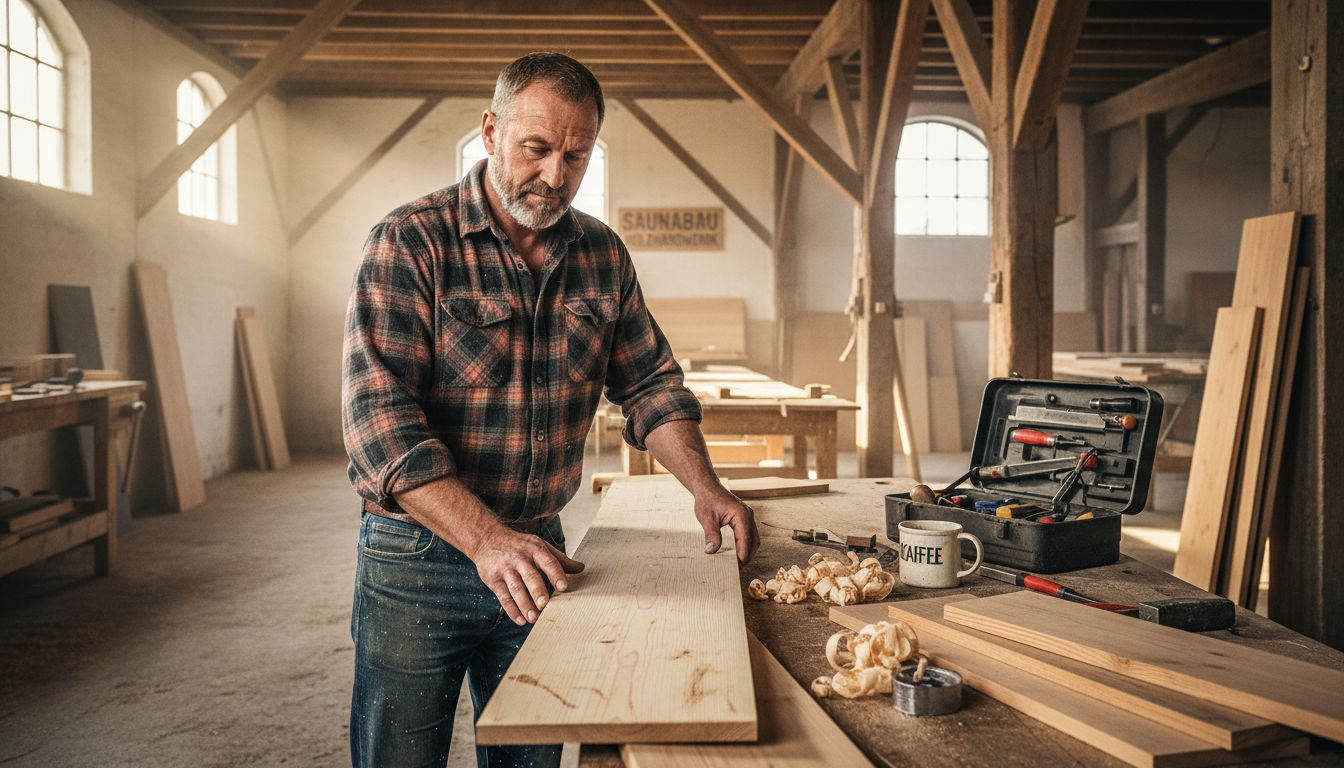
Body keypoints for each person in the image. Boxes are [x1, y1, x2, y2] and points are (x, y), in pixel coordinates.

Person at [341, 52, 760, 768]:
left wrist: (706, 487)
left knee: (532, 756)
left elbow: (652, 384)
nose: (555, 175)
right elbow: (380, 427)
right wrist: (484, 540)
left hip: (541, 548)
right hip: (420, 560)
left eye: (577, 155)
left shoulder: (600, 253)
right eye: (536, 149)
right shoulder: (411, 241)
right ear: (489, 131)